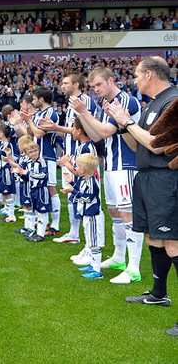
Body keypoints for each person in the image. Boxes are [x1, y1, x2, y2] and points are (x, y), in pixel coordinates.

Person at [106, 57, 178, 335]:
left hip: (165, 179)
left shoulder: (172, 102)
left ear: (149, 74)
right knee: (154, 237)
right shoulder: (151, 105)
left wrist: (126, 120)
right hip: (147, 178)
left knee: (173, 244)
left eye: (136, 75)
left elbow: (160, 146)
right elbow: (137, 143)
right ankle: (159, 294)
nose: (134, 80)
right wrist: (123, 124)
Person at [72, 66, 143, 284]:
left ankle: (133, 268)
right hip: (111, 166)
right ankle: (120, 258)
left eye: (99, 85)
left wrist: (84, 113)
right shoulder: (106, 106)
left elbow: (104, 131)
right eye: (93, 87)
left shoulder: (125, 100)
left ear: (112, 80)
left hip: (127, 165)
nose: (96, 90)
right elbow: (96, 136)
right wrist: (83, 117)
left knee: (128, 215)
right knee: (115, 213)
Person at [39, 73, 100, 244]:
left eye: (65, 83)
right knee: (72, 193)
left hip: (81, 153)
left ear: (76, 85)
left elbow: (84, 129)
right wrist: (54, 129)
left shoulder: (84, 101)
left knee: (84, 194)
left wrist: (56, 127)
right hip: (71, 154)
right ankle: (75, 234)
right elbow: (70, 131)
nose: (62, 86)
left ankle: (87, 239)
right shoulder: (72, 104)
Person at [19, 87, 61, 236]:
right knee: (38, 188)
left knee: (50, 188)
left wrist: (29, 121)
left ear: (41, 99)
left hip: (47, 156)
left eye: (35, 99)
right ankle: (44, 222)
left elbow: (39, 133)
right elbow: (31, 134)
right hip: (37, 157)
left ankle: (55, 226)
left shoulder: (50, 113)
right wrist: (25, 121)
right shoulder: (39, 114)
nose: (33, 101)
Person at [61, 153, 102, 279]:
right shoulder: (85, 181)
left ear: (83, 169)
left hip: (93, 216)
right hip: (87, 216)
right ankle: (92, 264)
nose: (75, 168)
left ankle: (97, 270)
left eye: (77, 166)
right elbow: (80, 191)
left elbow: (88, 198)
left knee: (94, 243)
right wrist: (71, 183)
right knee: (90, 241)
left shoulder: (92, 183)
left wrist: (72, 191)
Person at [4, 141, 51, 242]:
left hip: (42, 190)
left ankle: (41, 234)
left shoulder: (42, 161)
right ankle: (37, 232)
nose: (34, 153)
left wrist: (28, 172)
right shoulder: (29, 163)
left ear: (39, 150)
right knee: (37, 211)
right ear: (26, 154)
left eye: (35, 151)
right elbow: (27, 178)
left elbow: (44, 176)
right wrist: (20, 173)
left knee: (42, 212)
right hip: (33, 190)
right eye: (31, 152)